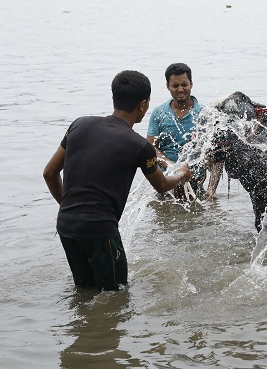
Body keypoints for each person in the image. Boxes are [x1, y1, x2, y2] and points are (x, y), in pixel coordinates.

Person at [43, 70, 193, 291]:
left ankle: (85, 326)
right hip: (100, 231)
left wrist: (68, 207)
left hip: (66, 225)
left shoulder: (79, 125)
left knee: (84, 291)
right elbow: (161, 185)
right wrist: (180, 174)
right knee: (116, 296)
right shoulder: (140, 146)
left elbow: (49, 173)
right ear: (142, 105)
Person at [147, 62, 204, 197]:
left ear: (191, 84)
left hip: (194, 181)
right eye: (175, 86)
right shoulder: (159, 113)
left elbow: (214, 152)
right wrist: (172, 166)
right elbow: (151, 148)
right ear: (168, 86)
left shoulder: (203, 113)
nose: (180, 89)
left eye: (184, 85)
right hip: (165, 181)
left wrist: (211, 189)